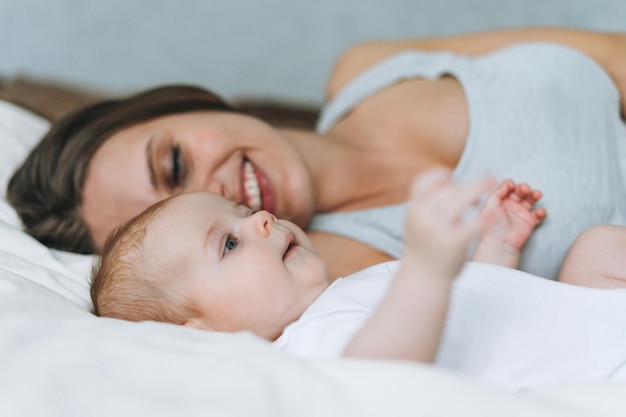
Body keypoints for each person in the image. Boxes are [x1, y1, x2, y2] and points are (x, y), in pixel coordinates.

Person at [8, 28, 626, 281]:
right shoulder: (342, 283)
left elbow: (612, 52)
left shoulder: (368, 70)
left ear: (190, 103)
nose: (214, 199)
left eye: (173, 165)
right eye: (185, 219)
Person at [90, 169, 556, 363]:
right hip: (581, 376)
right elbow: (382, 373)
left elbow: (483, 314)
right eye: (230, 243)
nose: (263, 218)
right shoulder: (312, 348)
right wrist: (428, 268)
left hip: (567, 331)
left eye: (242, 211)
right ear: (201, 332)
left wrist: (497, 250)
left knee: (599, 249)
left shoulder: (345, 294)